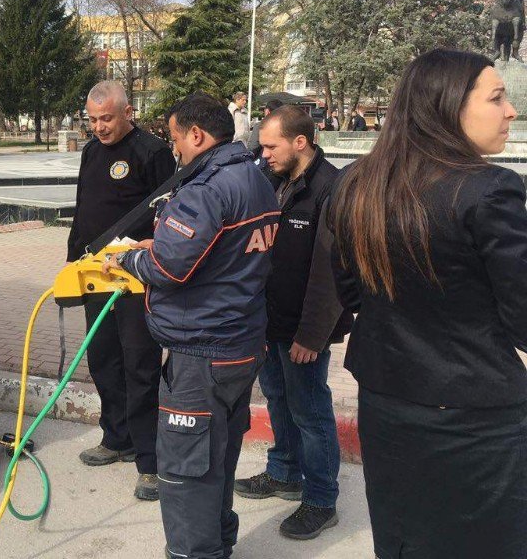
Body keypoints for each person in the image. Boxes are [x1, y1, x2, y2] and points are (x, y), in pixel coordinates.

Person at [329, 49, 526, 558]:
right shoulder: (490, 190)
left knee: (402, 539)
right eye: (497, 98)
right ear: (448, 106)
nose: (511, 111)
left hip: (386, 403)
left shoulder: (356, 183)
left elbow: (347, 289)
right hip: (473, 418)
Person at [104, 92, 280, 559]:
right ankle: (217, 544)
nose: (175, 149)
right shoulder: (255, 177)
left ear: (197, 135)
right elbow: (217, 250)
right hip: (240, 343)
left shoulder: (204, 189)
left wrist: (131, 258)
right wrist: (161, 243)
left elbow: (169, 269)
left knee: (185, 471)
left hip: (202, 352)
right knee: (217, 458)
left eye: (177, 138)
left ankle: (194, 552)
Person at [234, 106, 352, 540]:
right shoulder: (273, 181)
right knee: (279, 399)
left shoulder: (331, 188)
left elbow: (330, 270)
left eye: (270, 145)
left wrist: (312, 334)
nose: (262, 154)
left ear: (299, 142)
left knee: (311, 411)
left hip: (304, 329)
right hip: (269, 320)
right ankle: (283, 472)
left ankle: (321, 499)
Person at [68, 80, 177, 501]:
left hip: (135, 280)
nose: (99, 127)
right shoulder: (91, 151)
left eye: (107, 118)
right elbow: (83, 207)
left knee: (140, 367)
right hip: (96, 274)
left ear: (127, 111)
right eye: (93, 119)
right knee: (103, 361)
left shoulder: (152, 153)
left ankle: (150, 461)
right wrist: (73, 256)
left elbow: (167, 215)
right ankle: (117, 438)